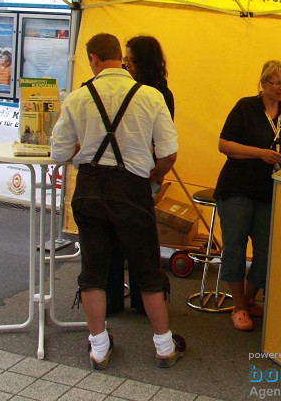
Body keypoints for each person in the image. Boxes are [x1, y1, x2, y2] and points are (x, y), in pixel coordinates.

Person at [50, 33, 184, 370]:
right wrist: (154, 173)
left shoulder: (79, 97)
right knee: (148, 271)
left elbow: (58, 152)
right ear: (119, 59)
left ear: (94, 58)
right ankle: (164, 346)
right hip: (132, 190)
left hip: (91, 190)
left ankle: (99, 348)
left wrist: (84, 150)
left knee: (93, 272)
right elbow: (169, 153)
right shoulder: (151, 96)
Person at [215, 60, 281, 331]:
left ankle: (247, 300)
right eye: (276, 83)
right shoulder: (246, 107)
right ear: (263, 84)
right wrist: (259, 152)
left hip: (269, 191)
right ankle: (238, 307)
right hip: (237, 187)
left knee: (266, 250)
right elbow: (224, 145)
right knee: (236, 247)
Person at [106, 35, 175, 315]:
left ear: (143, 62)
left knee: (139, 240)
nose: (126, 65)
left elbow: (165, 143)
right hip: (124, 171)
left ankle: (139, 298)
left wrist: (156, 174)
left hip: (141, 173)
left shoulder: (158, 94)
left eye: (131, 60)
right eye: (124, 60)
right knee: (122, 238)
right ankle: (119, 298)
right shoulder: (125, 87)